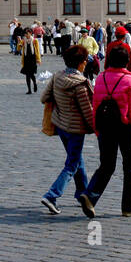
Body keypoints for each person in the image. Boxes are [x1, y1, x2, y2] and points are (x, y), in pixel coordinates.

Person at [84, 45, 131, 218]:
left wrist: (97, 128)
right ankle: (128, 207)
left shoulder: (101, 78)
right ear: (127, 62)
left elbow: (95, 106)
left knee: (106, 165)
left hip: (105, 126)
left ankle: (89, 196)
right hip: (126, 128)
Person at [39, 41, 96, 216]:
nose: (86, 62)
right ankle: (52, 195)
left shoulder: (57, 76)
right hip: (76, 129)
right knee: (72, 163)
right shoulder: (80, 84)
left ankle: (82, 194)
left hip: (61, 125)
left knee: (77, 159)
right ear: (81, 62)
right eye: (85, 60)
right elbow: (88, 112)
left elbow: (44, 97)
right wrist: (97, 129)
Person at [19, 27, 42, 94]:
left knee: (31, 74)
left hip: (32, 59)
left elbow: (37, 51)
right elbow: (18, 49)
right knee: (27, 75)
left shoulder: (35, 40)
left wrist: (38, 59)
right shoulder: (23, 41)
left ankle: (34, 83)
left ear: (30, 33)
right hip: (26, 59)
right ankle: (29, 89)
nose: (25, 35)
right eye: (25, 34)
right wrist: (19, 42)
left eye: (27, 33)